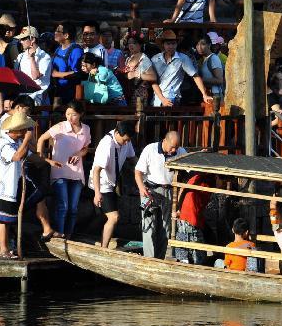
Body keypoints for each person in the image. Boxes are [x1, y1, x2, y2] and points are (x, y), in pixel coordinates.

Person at [36, 100, 90, 237]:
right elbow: (41, 139)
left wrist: (79, 154)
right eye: (67, 114)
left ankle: (69, 236)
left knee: (73, 209)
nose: (70, 118)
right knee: (63, 206)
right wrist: (41, 158)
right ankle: (60, 235)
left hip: (77, 173)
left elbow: (85, 148)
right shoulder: (60, 126)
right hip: (60, 172)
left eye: (73, 115)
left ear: (81, 114)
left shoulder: (86, 129)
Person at [0, 112, 35, 259]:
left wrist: (49, 161)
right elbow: (17, 156)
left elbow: (28, 155)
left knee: (8, 219)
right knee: (3, 219)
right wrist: (27, 139)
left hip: (13, 186)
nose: (24, 132)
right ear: (15, 131)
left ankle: (7, 249)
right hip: (3, 187)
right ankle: (3, 250)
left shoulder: (15, 143)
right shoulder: (4, 143)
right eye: (22, 130)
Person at [135, 131, 187, 259]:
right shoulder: (150, 149)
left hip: (169, 191)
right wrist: (141, 188)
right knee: (149, 227)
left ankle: (160, 258)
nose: (174, 150)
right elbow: (138, 172)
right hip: (150, 190)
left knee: (166, 228)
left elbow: (190, 167)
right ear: (165, 140)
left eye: (177, 147)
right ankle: (149, 259)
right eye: (172, 147)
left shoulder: (180, 151)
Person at [90, 121, 136, 249]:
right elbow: (96, 170)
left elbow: (132, 158)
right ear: (117, 133)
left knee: (105, 217)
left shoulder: (127, 140)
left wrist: (143, 172)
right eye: (124, 140)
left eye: (128, 140)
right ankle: (104, 248)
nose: (126, 143)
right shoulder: (106, 144)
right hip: (101, 182)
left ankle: (101, 240)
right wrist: (97, 193)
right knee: (114, 217)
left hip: (113, 183)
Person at [149, 30, 214, 107]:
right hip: (157, 99)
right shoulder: (155, 59)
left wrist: (204, 94)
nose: (171, 46)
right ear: (163, 45)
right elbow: (153, 81)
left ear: (176, 44)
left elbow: (195, 76)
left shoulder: (183, 58)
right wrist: (162, 98)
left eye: (173, 44)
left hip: (173, 98)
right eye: (168, 44)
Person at [50, 21, 84, 103]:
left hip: (71, 95)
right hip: (57, 92)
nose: (55, 32)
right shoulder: (58, 49)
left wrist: (56, 74)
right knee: (55, 115)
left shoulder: (76, 51)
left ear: (66, 35)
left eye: (58, 31)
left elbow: (77, 73)